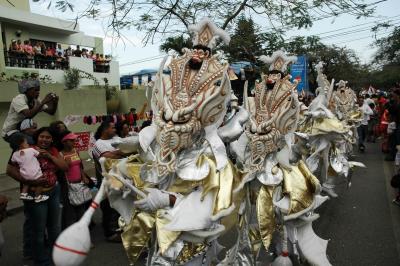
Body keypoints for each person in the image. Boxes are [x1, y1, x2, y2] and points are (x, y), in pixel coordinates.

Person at [7, 127, 67, 265]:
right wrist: (29, 181)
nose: (45, 140)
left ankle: (55, 257)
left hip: (54, 191)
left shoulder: (53, 150)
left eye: (48, 137)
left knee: (54, 228)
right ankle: (41, 260)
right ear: (36, 137)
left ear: (52, 139)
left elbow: (64, 167)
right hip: (35, 194)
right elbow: (9, 170)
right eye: (42, 136)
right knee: (38, 230)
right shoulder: (24, 149)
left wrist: (50, 156)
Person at [2, 79, 58, 150]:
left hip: (23, 131)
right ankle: (14, 160)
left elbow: (51, 112)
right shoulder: (19, 99)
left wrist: (55, 102)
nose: (38, 92)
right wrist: (43, 102)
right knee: (32, 142)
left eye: (38, 90)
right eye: (35, 90)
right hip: (10, 132)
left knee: (41, 139)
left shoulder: (35, 100)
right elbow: (28, 114)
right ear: (26, 90)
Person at [93, 121, 125, 242]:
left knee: (120, 204)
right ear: (105, 129)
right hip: (107, 179)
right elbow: (108, 157)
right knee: (108, 206)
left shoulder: (116, 138)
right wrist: (121, 151)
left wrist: (119, 152)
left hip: (121, 177)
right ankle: (110, 233)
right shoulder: (98, 144)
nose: (115, 130)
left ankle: (119, 229)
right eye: (112, 128)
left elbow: (125, 150)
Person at [60, 132, 92, 229]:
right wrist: (66, 165)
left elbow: (79, 166)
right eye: (72, 140)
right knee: (71, 213)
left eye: (75, 140)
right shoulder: (60, 154)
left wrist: (84, 177)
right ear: (65, 142)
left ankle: (83, 234)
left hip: (79, 184)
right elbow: (60, 171)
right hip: (69, 187)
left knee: (81, 211)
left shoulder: (76, 151)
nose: (75, 142)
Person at [11, 134, 48, 202]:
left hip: (24, 175)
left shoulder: (14, 154)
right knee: (41, 182)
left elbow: (13, 162)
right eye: (26, 142)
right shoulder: (31, 150)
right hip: (35, 173)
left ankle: (23, 194)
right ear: (21, 144)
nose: (28, 143)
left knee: (26, 184)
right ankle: (38, 196)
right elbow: (39, 155)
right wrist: (39, 151)